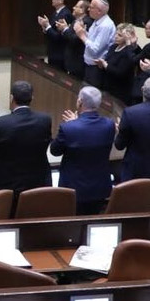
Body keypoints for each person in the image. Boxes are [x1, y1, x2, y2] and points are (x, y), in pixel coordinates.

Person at [50, 86, 116, 215]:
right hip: (100, 187)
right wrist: (76, 123)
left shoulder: (68, 128)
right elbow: (90, 134)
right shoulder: (109, 125)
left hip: (74, 188)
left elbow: (55, 151)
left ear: (80, 102)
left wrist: (74, 123)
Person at [0, 81, 52, 198]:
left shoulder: (0, 123)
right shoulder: (45, 120)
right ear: (32, 98)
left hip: (5, 186)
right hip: (36, 183)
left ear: (11, 98)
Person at [75, 0, 116, 87]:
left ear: (99, 11)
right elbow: (92, 39)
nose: (88, 9)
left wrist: (82, 36)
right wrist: (84, 32)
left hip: (96, 68)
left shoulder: (105, 25)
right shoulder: (97, 21)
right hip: (89, 65)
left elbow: (95, 49)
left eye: (91, 7)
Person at [96, 23, 140, 105]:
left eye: (119, 35)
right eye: (116, 33)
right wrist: (102, 65)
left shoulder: (129, 52)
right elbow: (108, 62)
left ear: (127, 38)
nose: (115, 36)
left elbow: (120, 72)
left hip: (120, 91)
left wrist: (106, 65)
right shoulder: (113, 47)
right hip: (107, 86)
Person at [38, 0, 74, 70]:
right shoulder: (56, 13)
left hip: (59, 54)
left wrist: (47, 26)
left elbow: (58, 37)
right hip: (53, 51)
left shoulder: (65, 14)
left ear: (61, 0)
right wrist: (45, 27)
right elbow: (52, 31)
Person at [58, 0, 91, 78]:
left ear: (82, 10)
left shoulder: (86, 22)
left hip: (78, 62)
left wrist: (65, 29)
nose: (73, 8)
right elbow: (69, 36)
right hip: (71, 61)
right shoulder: (75, 21)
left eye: (76, 6)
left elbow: (75, 40)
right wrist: (64, 29)